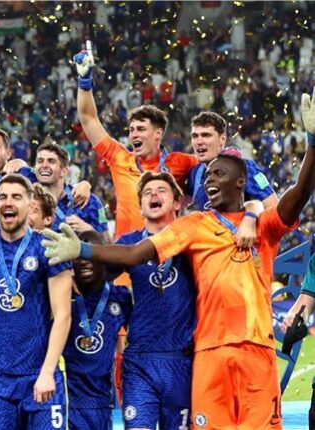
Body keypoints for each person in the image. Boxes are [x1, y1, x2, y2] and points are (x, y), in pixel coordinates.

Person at [42, 86, 315, 430]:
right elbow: (133, 253)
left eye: (219, 174)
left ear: (241, 182)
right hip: (208, 353)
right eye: (207, 175)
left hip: (257, 349)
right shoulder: (193, 225)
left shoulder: (263, 227)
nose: (209, 180)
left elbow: (299, 194)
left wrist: (312, 144)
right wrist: (83, 250)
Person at [0, 174, 74, 429]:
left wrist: (47, 372)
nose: (8, 202)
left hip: (41, 373)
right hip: (1, 380)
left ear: (30, 204)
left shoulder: (48, 246)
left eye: (16, 197)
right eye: (3, 197)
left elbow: (63, 316)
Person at [73, 46, 198, 239]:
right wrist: (84, 83)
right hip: (126, 254)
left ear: (158, 134)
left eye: (141, 129)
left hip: (165, 253)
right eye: (131, 130)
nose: (133, 135)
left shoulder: (181, 162)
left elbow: (214, 167)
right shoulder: (119, 158)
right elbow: (88, 119)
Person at [112, 172, 196, 430]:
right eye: (147, 193)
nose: (153, 195)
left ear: (177, 203)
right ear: (141, 207)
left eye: (161, 190)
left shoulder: (192, 243)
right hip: (140, 359)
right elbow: (96, 278)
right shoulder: (128, 243)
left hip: (181, 360)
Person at [65, 230, 131, 430]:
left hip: (102, 404)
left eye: (89, 255)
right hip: (66, 401)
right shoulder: (62, 296)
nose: (83, 262)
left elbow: (138, 338)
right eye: (78, 256)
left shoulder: (120, 297)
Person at [186, 111, 278, 210]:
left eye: (206, 135)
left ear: (222, 139)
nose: (199, 142)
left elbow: (274, 207)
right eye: (195, 136)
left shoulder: (245, 168)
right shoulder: (195, 173)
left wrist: (250, 217)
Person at [34, 143, 108, 236]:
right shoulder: (28, 201)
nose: (44, 165)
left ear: (64, 172)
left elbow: (107, 242)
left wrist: (89, 230)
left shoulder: (90, 201)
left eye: (51, 161)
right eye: (40, 161)